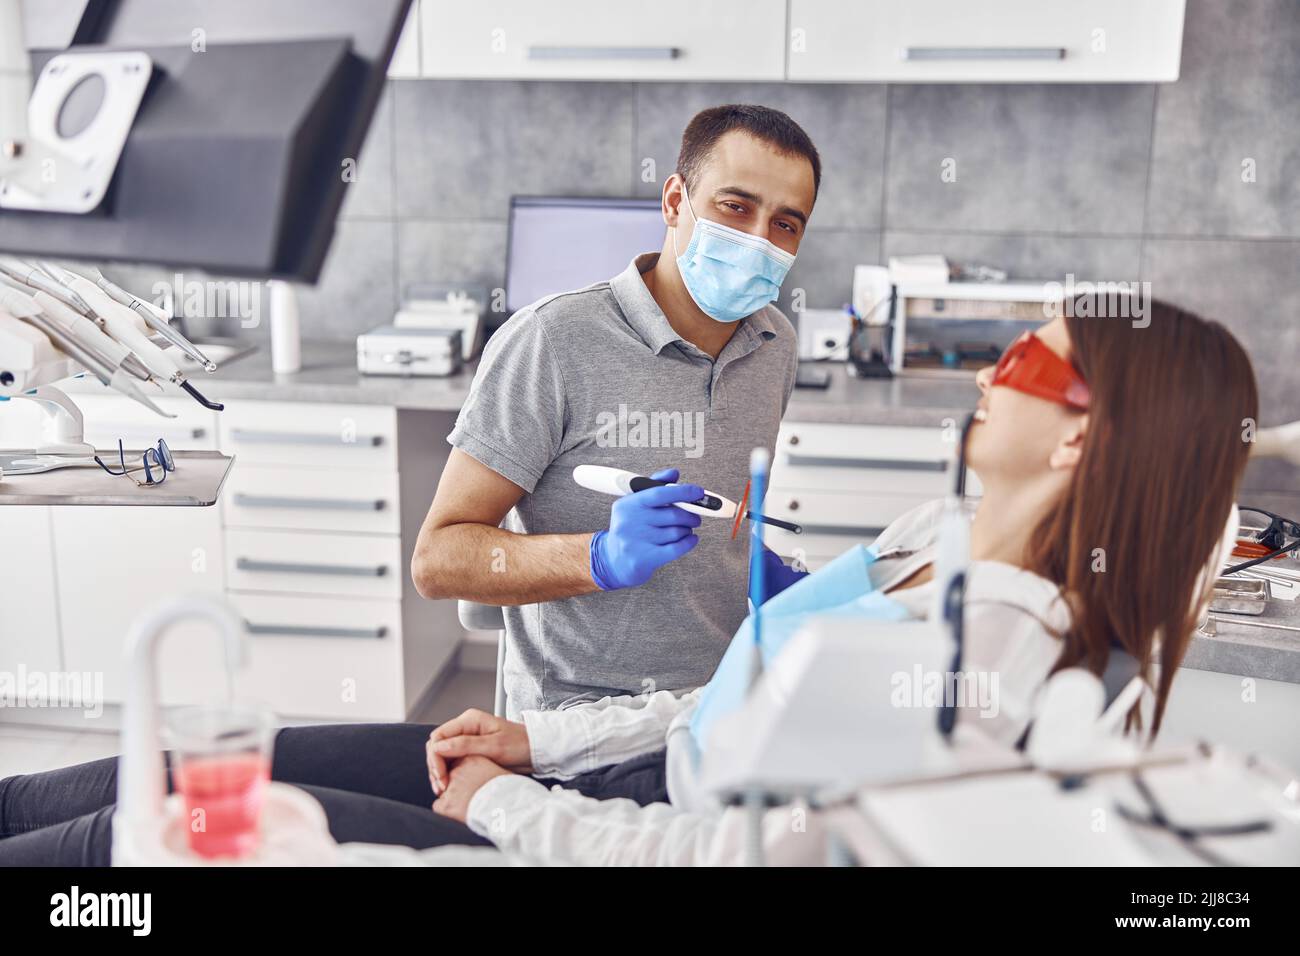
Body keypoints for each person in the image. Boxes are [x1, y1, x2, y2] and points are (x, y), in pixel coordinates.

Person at [0, 296, 1259, 866]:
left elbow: (738, 846)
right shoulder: (940, 530)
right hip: (594, 767)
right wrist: (533, 733)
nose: (987, 373)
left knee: (151, 841)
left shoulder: (985, 657)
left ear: (1086, 436)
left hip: (612, 828)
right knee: (237, 752)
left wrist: (503, 802)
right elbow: (720, 698)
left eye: (1028, 363)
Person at [410, 105, 817, 714]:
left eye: (786, 223)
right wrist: (598, 558)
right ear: (676, 201)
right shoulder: (551, 340)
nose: (759, 240)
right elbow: (438, 562)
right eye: (735, 208)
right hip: (574, 719)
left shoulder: (774, 343)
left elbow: (726, 518)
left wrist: (750, 569)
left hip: (715, 707)